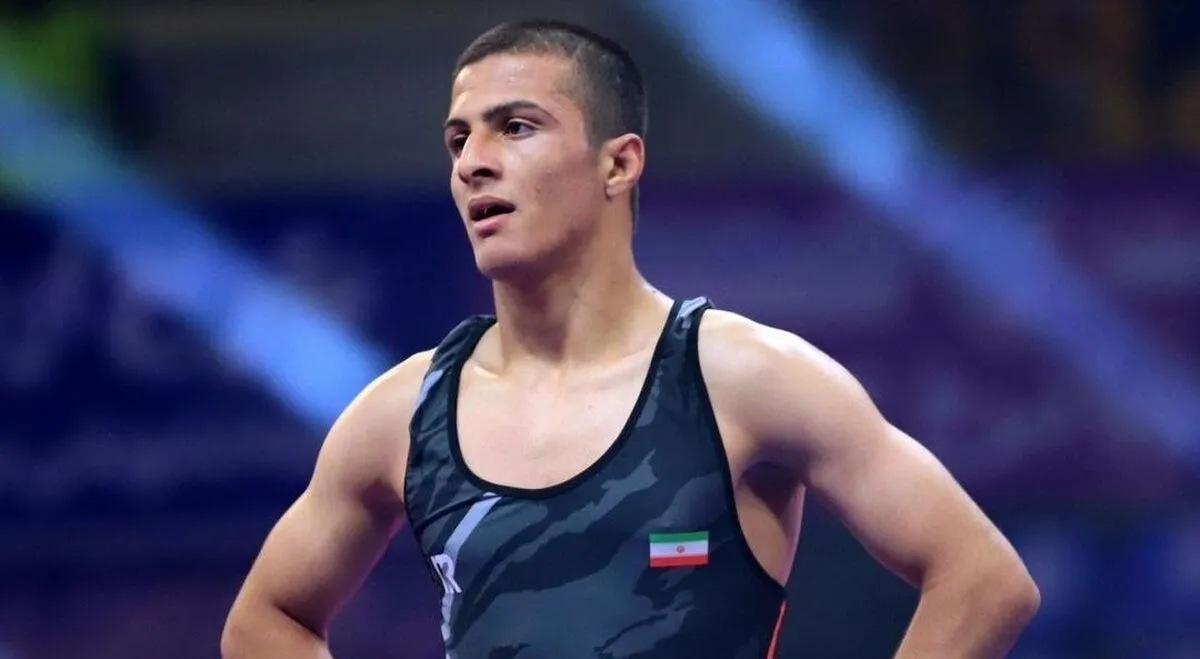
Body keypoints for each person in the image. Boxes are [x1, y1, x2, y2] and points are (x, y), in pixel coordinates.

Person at [221, 19, 1040, 659]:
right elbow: (266, 619)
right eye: (459, 139)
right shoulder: (403, 413)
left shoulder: (743, 379)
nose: (473, 163)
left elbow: (983, 578)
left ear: (618, 164)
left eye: (515, 127)